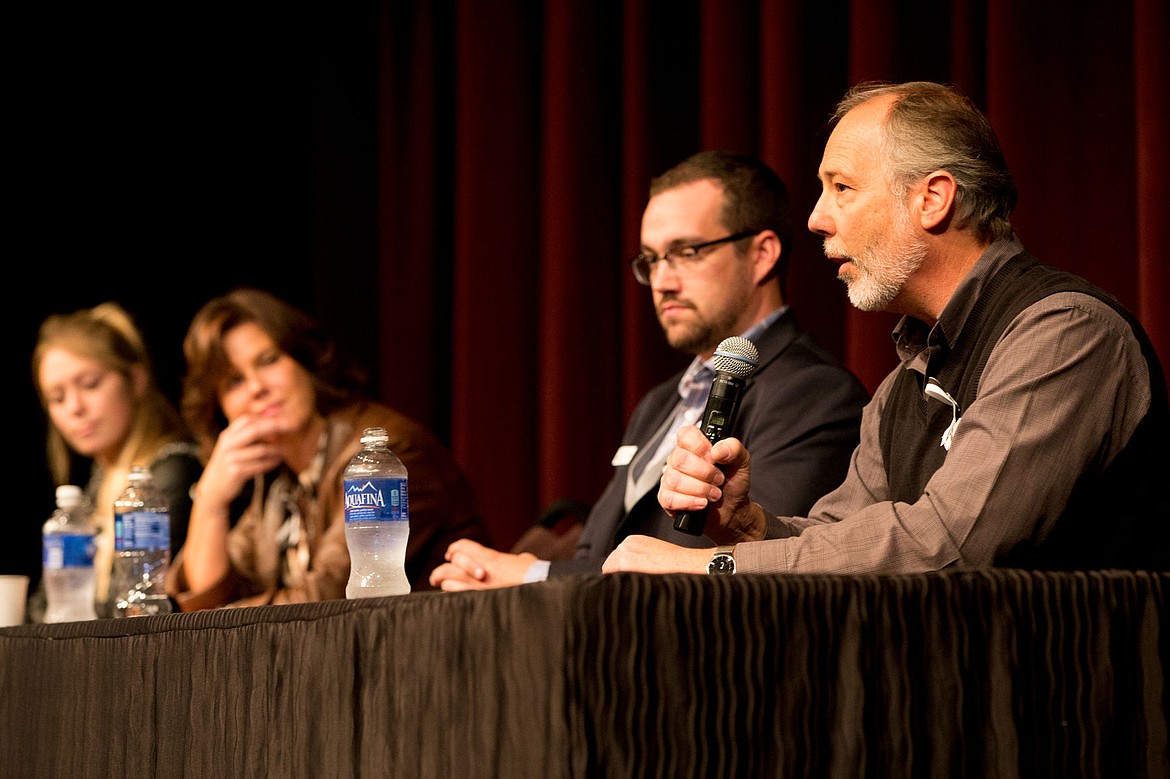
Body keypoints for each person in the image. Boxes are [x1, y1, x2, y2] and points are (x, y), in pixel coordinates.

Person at [603, 81, 1170, 577]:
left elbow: (948, 546)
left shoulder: (1065, 333)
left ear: (932, 199)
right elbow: (841, 537)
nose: (817, 218)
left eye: (842, 188)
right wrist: (747, 527)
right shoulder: (911, 371)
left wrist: (711, 566)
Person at [430, 150, 869, 590]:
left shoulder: (815, 393)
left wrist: (528, 575)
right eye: (651, 259)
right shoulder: (659, 402)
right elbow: (596, 550)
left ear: (762, 254)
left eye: (686, 252)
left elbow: (738, 566)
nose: (662, 281)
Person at [167, 288, 489, 609]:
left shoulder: (386, 458)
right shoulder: (277, 481)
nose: (256, 388)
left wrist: (216, 618)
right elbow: (204, 598)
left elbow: (326, 603)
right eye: (234, 382)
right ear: (220, 407)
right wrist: (211, 500)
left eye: (268, 361)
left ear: (304, 360)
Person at [31, 302, 203, 619]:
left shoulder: (170, 472)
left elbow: (138, 603)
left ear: (135, 380)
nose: (74, 407)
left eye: (90, 384)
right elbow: (46, 605)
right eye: (58, 398)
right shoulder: (96, 483)